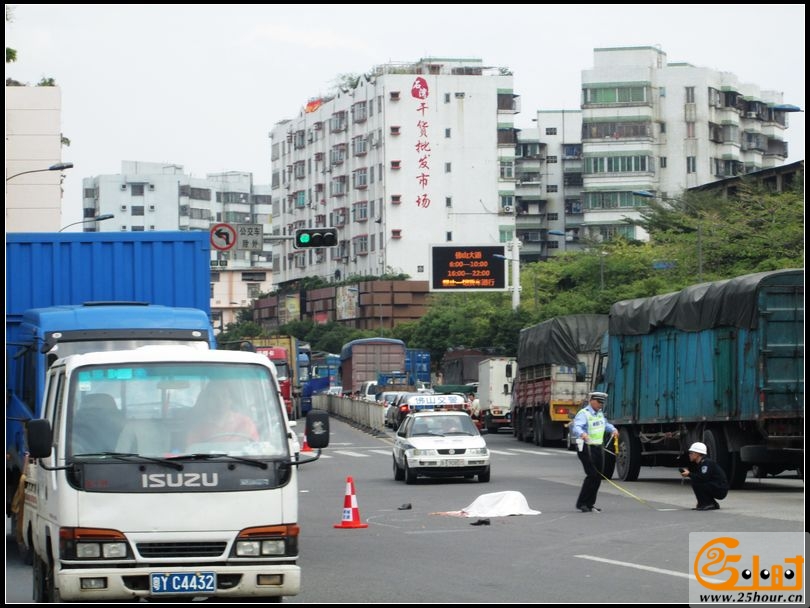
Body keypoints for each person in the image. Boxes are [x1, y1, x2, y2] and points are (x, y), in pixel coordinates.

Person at [571, 391, 618, 513]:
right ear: (591, 400)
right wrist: (583, 434)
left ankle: (590, 504)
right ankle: (582, 503)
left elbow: (605, 424)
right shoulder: (584, 413)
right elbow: (576, 426)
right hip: (586, 447)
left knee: (598, 476)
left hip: (598, 447)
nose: (600, 405)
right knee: (592, 474)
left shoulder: (600, 413)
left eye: (602, 403)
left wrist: (613, 429)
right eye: (598, 402)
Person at [187, 382, 259, 445]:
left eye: (224, 396)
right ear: (207, 401)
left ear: (231, 400)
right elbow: (192, 455)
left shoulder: (245, 423)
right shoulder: (198, 428)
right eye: (214, 397)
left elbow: (257, 450)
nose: (220, 402)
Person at [680, 441, 728, 510]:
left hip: (720, 488)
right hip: (715, 486)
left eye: (691, 453)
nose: (689, 455)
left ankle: (709, 504)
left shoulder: (706, 463)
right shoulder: (701, 463)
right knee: (696, 481)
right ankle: (706, 503)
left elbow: (703, 478)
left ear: (698, 454)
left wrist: (689, 474)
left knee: (697, 482)